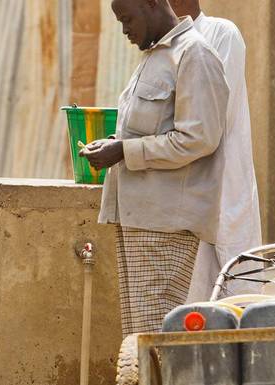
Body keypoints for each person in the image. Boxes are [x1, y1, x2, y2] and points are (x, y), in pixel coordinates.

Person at [80, 0, 229, 335]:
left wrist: (124, 150)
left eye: (127, 19)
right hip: (137, 220)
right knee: (140, 338)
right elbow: (149, 132)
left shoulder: (194, 54)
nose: (124, 30)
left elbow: (199, 138)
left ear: (151, 4)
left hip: (166, 225)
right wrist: (114, 144)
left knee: (156, 338)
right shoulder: (154, 56)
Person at [168, 0, 263, 302]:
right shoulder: (163, 44)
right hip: (182, 192)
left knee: (235, 298)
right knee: (190, 303)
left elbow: (212, 119)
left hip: (223, 182)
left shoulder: (222, 34)